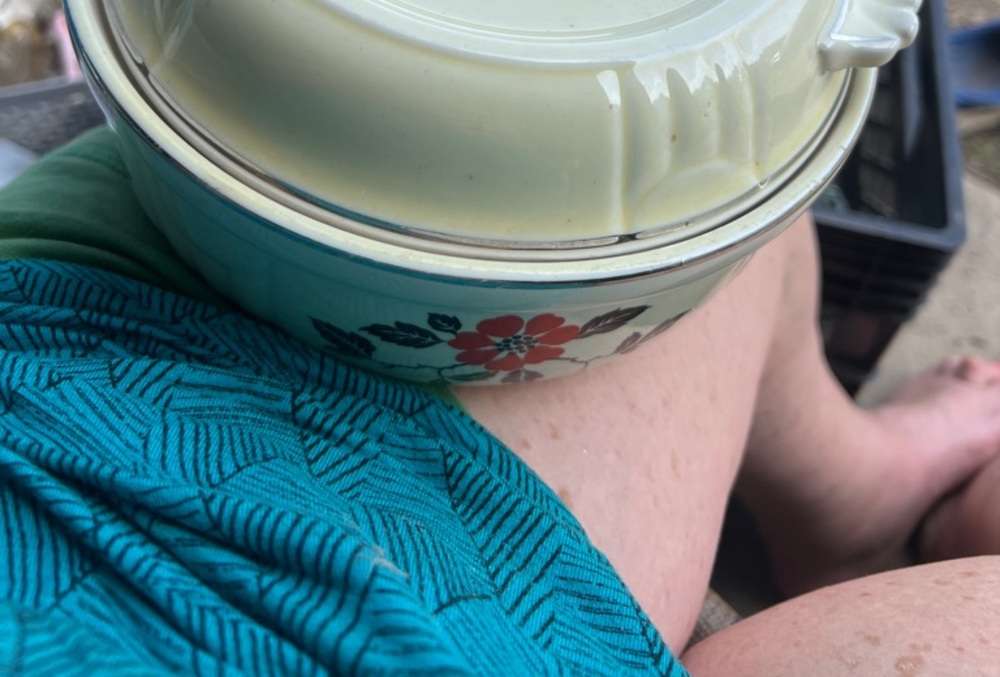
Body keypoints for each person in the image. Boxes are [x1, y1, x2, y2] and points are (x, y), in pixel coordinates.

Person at [1, 126, 999, 675]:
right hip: (393, 609)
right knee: (704, 206)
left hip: (61, 378)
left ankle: (857, 498)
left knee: (709, 220)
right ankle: (865, 506)